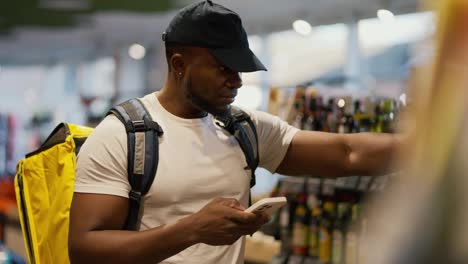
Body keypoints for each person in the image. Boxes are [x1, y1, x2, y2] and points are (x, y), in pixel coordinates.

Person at [68, 1, 400, 263]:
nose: (237, 81)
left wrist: (437, 143)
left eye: (240, 69)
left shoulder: (245, 130)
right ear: (179, 64)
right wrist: (192, 230)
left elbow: (347, 153)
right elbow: (85, 249)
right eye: (223, 68)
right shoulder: (123, 136)